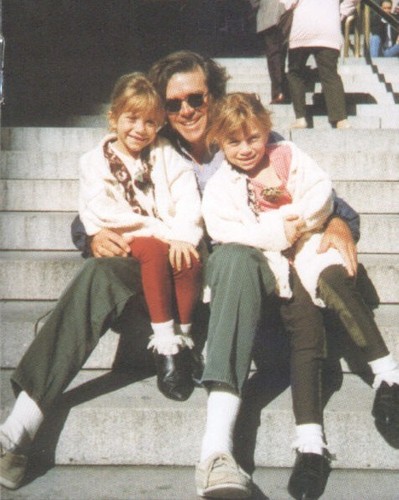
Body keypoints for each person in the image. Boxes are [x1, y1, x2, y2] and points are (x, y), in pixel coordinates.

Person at [0, 50, 359, 492]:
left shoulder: (247, 136)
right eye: (174, 104)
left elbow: (317, 191)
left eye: (196, 98)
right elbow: (100, 204)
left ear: (214, 97)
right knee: (99, 274)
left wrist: (341, 222)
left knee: (230, 258)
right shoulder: (154, 147)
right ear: (161, 111)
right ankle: (17, 430)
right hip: (171, 270)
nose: (187, 110)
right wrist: (90, 239)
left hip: (242, 273)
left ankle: (217, 452)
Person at [201, 91, 399, 499]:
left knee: (336, 279)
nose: (245, 149)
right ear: (219, 143)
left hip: (309, 241)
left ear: (266, 128)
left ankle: (389, 376)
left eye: (253, 138)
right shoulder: (221, 184)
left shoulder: (286, 155)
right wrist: (276, 233)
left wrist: (301, 223)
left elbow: (321, 191)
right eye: (234, 142)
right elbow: (225, 232)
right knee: (307, 332)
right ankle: (310, 444)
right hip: (271, 262)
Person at [78, 72, 203, 401]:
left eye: (150, 122)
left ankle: (184, 344)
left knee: (186, 256)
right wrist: (164, 232)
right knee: (152, 247)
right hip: (130, 240)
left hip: (171, 237)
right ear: (113, 117)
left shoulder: (165, 155)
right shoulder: (94, 162)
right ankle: (164, 343)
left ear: (160, 124)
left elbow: (188, 197)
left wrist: (183, 236)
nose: (140, 129)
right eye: (131, 119)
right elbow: (106, 213)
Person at [287, 0, 359, 129]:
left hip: (302, 27)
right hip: (329, 29)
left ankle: (300, 118)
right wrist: (342, 12)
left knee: (295, 73)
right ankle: (340, 119)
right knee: (330, 74)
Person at [250, 0, 297, 104]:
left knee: (274, 53)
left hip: (270, 12)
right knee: (282, 52)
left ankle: (279, 91)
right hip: (289, 11)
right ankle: (285, 90)